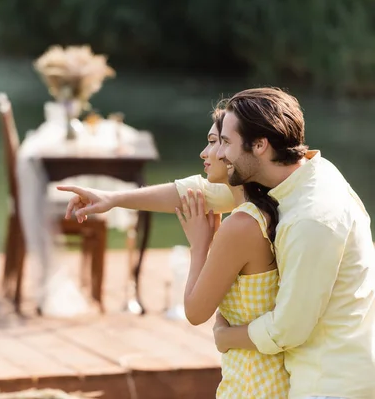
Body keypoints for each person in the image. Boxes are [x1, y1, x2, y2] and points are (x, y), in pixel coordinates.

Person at [57, 87, 375, 399]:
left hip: (332, 382)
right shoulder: (295, 177)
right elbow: (203, 192)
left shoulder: (312, 220)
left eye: (225, 142)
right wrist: (112, 199)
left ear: (260, 145)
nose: (218, 153)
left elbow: (289, 329)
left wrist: (225, 336)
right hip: (301, 374)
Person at [175, 108, 289, 397]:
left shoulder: (240, 225)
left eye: (218, 142)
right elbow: (186, 192)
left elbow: (195, 311)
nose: (207, 152)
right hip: (271, 378)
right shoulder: (265, 211)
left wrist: (200, 244)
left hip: (253, 383)